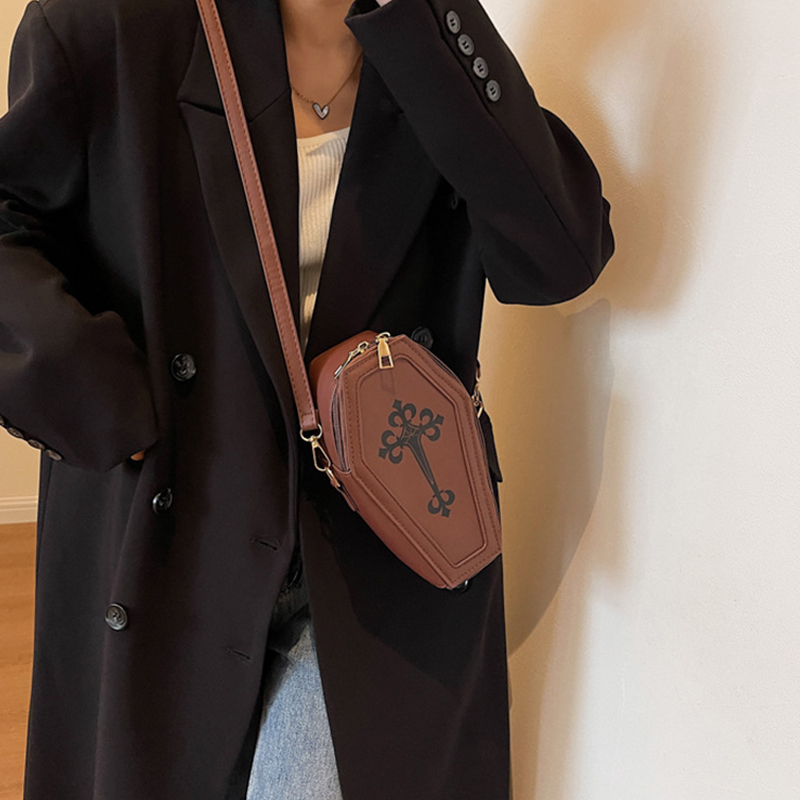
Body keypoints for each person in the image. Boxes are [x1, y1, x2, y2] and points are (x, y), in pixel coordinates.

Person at [0, 0, 615, 796]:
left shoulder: (429, 44)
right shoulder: (115, 24)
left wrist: (432, 24)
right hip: (176, 538)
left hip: (382, 550)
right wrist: (91, 389)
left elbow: (558, 258)